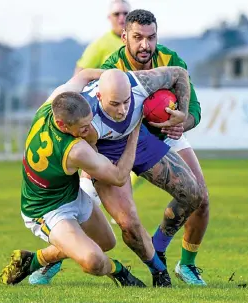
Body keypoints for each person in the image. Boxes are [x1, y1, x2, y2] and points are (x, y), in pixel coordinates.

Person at [28, 66, 204, 287]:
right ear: (100, 96)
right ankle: (159, 271)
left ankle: (157, 247)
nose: (122, 110)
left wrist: (183, 113)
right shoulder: (86, 123)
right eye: (114, 104)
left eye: (126, 101)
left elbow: (179, 73)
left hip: (140, 141)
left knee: (193, 194)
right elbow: (117, 176)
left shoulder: (139, 83)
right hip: (105, 152)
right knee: (128, 223)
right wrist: (133, 133)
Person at [0, 69, 146, 288]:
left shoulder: (51, 105)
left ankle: (34, 260)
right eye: (84, 128)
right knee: (94, 261)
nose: (90, 131)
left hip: (71, 195)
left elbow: (86, 75)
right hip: (45, 210)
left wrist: (112, 81)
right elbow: (118, 176)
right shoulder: (76, 150)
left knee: (106, 242)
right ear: (62, 126)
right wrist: (134, 132)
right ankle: (119, 270)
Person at [100, 9, 209, 286]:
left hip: (165, 134)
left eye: (151, 37)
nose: (145, 45)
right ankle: (49, 263)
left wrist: (181, 123)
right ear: (124, 36)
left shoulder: (171, 60)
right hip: (118, 142)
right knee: (84, 207)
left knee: (201, 198)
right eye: (137, 37)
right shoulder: (113, 68)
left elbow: (194, 108)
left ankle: (182, 263)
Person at [74, 0, 131, 75]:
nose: (122, 17)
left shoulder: (142, 41)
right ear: (109, 17)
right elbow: (79, 74)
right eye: (116, 14)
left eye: (125, 13)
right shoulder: (99, 44)